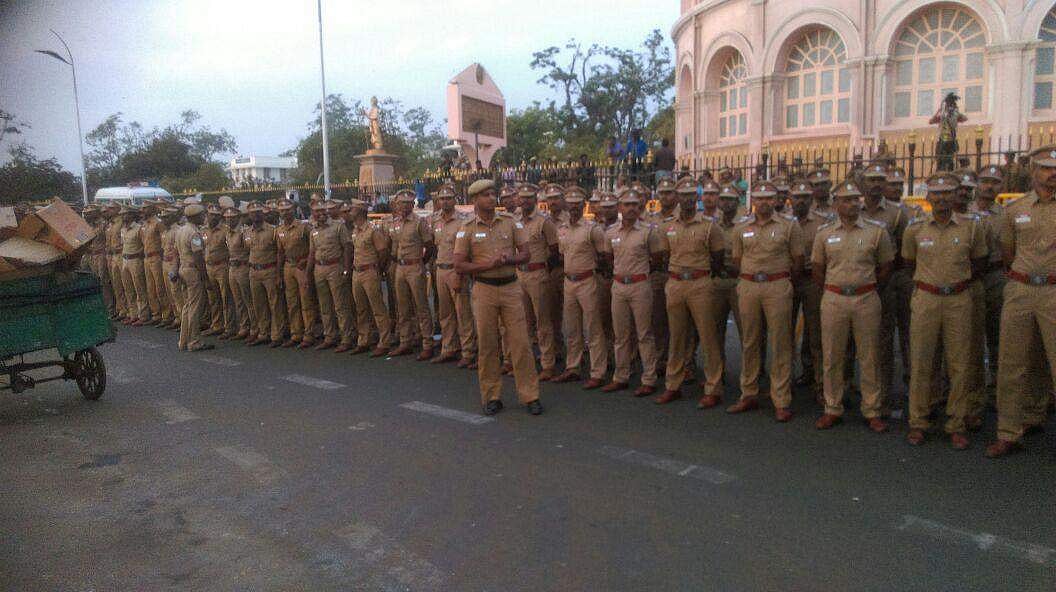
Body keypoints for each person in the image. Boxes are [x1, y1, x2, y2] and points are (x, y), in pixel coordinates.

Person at [903, 172, 988, 449]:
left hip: (958, 299)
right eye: (936, 193)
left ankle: (956, 423)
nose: (941, 198)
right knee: (922, 361)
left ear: (956, 195)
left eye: (947, 193)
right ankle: (918, 421)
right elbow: (908, 264)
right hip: (926, 298)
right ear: (927, 197)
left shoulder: (971, 227)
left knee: (960, 363)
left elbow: (979, 263)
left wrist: (955, 284)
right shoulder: (915, 228)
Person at [453, 179, 543, 416]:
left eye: (493, 194)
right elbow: (459, 264)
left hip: (511, 287)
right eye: (485, 195)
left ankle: (530, 395)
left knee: (521, 343)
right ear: (475, 200)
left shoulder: (510, 223)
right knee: (488, 344)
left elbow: (526, 254)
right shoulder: (467, 229)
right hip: (484, 290)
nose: (492, 198)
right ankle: (491, 396)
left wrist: (508, 260)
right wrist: (487, 264)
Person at [988, 145, 1056, 458]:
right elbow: (1008, 254)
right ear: (1033, 172)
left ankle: (1035, 414)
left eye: (1054, 168)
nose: (1051, 173)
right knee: (1013, 363)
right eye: (1045, 168)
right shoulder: (1014, 210)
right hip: (1021, 290)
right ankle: (1008, 432)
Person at [812, 181, 894, 432]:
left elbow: (886, 266)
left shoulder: (876, 231)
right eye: (845, 200)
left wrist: (865, 287)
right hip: (834, 298)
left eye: (855, 199)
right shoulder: (824, 233)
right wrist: (835, 288)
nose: (852, 204)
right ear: (836, 204)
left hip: (866, 298)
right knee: (833, 356)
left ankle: (872, 409)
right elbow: (817, 269)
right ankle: (832, 407)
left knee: (870, 356)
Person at [727, 180, 805, 422]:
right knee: (750, 341)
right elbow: (737, 259)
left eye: (769, 198)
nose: (764, 202)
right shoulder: (742, 228)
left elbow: (798, 261)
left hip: (777, 285)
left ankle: (781, 399)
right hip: (749, 285)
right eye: (760, 198)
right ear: (753, 201)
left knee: (781, 342)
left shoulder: (789, 226)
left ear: (777, 200)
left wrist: (780, 279)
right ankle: (748, 392)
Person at [657, 177, 725, 406]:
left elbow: (718, 259)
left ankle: (713, 387)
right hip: (676, 283)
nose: (686, 198)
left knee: (707, 336)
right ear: (677, 197)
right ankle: (672, 385)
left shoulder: (709, 225)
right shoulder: (669, 225)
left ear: (696, 197)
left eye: (690, 194)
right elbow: (665, 256)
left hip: (700, 283)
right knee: (676, 337)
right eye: (682, 194)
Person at [601, 189, 664, 396]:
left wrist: (640, 273)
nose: (630, 209)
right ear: (620, 208)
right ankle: (621, 376)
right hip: (619, 285)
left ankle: (649, 378)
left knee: (644, 334)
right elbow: (609, 258)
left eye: (634, 205)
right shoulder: (611, 233)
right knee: (620, 335)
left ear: (640, 207)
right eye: (626, 205)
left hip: (640, 285)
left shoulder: (648, 231)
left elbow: (656, 259)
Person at [860, 162, 910, 410]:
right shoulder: (854, 210)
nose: (877, 184)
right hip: (861, 283)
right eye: (872, 180)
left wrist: (884, 277)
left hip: (889, 281)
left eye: (881, 180)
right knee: (871, 340)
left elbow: (904, 249)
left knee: (890, 336)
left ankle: (890, 391)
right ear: (863, 183)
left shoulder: (897, 213)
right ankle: (870, 390)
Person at [552, 187, 609, 388]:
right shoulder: (562, 229)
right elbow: (562, 254)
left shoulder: (592, 229)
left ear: (583, 205)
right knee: (572, 328)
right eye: (571, 204)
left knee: (593, 328)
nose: (574, 208)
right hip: (569, 282)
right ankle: (573, 367)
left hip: (587, 281)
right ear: (566, 205)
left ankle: (598, 371)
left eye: (578, 204)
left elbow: (604, 256)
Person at [789, 182, 831, 397]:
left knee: (816, 333)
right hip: (787, 281)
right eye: (797, 196)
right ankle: (784, 382)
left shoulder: (822, 223)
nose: (801, 200)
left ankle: (819, 383)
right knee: (785, 333)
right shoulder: (783, 222)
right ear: (790, 198)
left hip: (812, 281)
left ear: (812, 197)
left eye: (806, 196)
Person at [514, 183, 561, 380]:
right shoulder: (516, 222)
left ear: (535, 200)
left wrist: (543, 270)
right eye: (522, 198)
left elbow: (555, 251)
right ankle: (528, 362)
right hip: (520, 276)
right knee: (524, 322)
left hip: (538, 275)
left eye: (529, 198)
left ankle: (548, 363)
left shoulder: (544, 222)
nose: (525, 201)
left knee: (543, 322)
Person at [431, 183, 477, 366]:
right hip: (440, 269)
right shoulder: (435, 220)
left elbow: (467, 251)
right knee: (445, 313)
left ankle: (468, 350)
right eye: (442, 198)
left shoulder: (463, 221)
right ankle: (449, 347)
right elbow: (435, 246)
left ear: (455, 200)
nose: (445, 202)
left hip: (456, 270)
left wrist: (460, 273)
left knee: (463, 312)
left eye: (448, 198)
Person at [388, 189, 436, 360]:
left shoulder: (419, 222)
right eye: (401, 203)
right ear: (397, 204)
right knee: (403, 307)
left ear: (412, 204)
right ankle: (405, 342)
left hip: (415, 267)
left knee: (421, 306)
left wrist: (421, 262)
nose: (404, 206)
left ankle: (427, 343)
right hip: (400, 268)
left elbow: (429, 245)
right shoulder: (396, 223)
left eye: (408, 203)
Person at [972, 165, 1008, 387]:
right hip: (970, 279)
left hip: (996, 276)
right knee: (968, 336)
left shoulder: (1006, 215)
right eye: (985, 181)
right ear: (977, 184)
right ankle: (970, 387)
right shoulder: (964, 211)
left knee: (997, 334)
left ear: (1002, 186)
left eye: (994, 182)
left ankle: (996, 385)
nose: (988, 186)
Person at [346, 199, 393, 357]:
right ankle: (363, 340)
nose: (349, 212)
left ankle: (384, 342)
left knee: (378, 308)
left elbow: (383, 251)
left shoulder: (372, 230)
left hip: (370, 271)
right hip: (357, 272)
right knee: (361, 309)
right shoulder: (356, 230)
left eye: (352, 210)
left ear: (359, 212)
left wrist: (377, 268)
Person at [307, 201, 354, 352]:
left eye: (322, 211)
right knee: (325, 305)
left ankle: (346, 338)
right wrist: (309, 273)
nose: (320, 214)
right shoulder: (313, 230)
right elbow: (312, 253)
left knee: (340, 305)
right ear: (312, 213)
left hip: (335, 267)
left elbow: (347, 248)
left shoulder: (338, 226)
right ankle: (330, 336)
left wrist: (346, 270)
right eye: (316, 212)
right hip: (319, 269)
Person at [276, 199, 316, 348]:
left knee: (306, 301)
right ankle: (296, 333)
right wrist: (279, 274)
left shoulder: (304, 227)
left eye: (288, 210)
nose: (285, 213)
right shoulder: (279, 230)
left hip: (301, 266)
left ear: (293, 210)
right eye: (282, 210)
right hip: (288, 266)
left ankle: (309, 334)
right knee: (291, 302)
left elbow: (313, 248)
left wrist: (306, 261)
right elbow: (280, 253)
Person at [174, 204, 214, 352]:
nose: (204, 217)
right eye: (202, 215)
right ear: (195, 217)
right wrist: (205, 279)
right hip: (192, 271)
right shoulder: (194, 233)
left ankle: (183, 340)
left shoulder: (181, 230)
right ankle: (194, 341)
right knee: (195, 308)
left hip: (183, 268)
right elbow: (198, 258)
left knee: (187, 306)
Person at [245, 202, 286, 347]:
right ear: (249, 215)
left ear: (263, 214)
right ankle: (264, 332)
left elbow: (280, 252)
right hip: (254, 271)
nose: (255, 215)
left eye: (258, 212)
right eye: (252, 213)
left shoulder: (272, 231)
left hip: (269, 270)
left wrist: (278, 274)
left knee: (274, 304)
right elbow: (246, 251)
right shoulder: (247, 232)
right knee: (259, 304)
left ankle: (277, 334)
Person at [203, 205, 236, 339]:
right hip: (209, 266)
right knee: (213, 298)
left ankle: (230, 327)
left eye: (217, 215)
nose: (214, 217)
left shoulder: (225, 231)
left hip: (222, 266)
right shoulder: (204, 230)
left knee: (226, 298)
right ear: (207, 215)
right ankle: (217, 325)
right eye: (211, 214)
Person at [223, 206, 254, 341]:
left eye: (232, 218)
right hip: (232, 268)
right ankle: (244, 326)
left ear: (239, 218)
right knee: (238, 301)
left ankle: (254, 327)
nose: (229, 220)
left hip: (242, 267)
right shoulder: (228, 232)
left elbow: (249, 250)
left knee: (248, 300)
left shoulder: (243, 232)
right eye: (227, 218)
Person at [140, 200, 171, 326]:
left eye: (145, 208)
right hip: (147, 258)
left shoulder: (158, 223)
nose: (142, 211)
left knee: (160, 287)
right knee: (150, 288)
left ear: (152, 209)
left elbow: (164, 241)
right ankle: (156, 314)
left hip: (156, 257)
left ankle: (167, 315)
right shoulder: (145, 224)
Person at [119, 205, 150, 326]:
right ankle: (133, 314)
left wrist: (139, 254)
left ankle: (143, 315)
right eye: (122, 214)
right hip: (125, 259)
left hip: (135, 259)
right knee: (128, 288)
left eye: (125, 214)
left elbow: (145, 245)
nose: (123, 216)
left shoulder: (139, 229)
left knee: (139, 288)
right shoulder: (123, 229)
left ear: (132, 215)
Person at [159, 206, 185, 331]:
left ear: (173, 217)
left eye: (166, 217)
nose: (164, 220)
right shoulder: (165, 231)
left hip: (173, 263)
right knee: (169, 292)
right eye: (163, 217)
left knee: (177, 292)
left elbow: (178, 252)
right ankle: (177, 317)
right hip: (165, 263)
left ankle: (183, 318)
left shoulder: (178, 231)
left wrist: (175, 268)